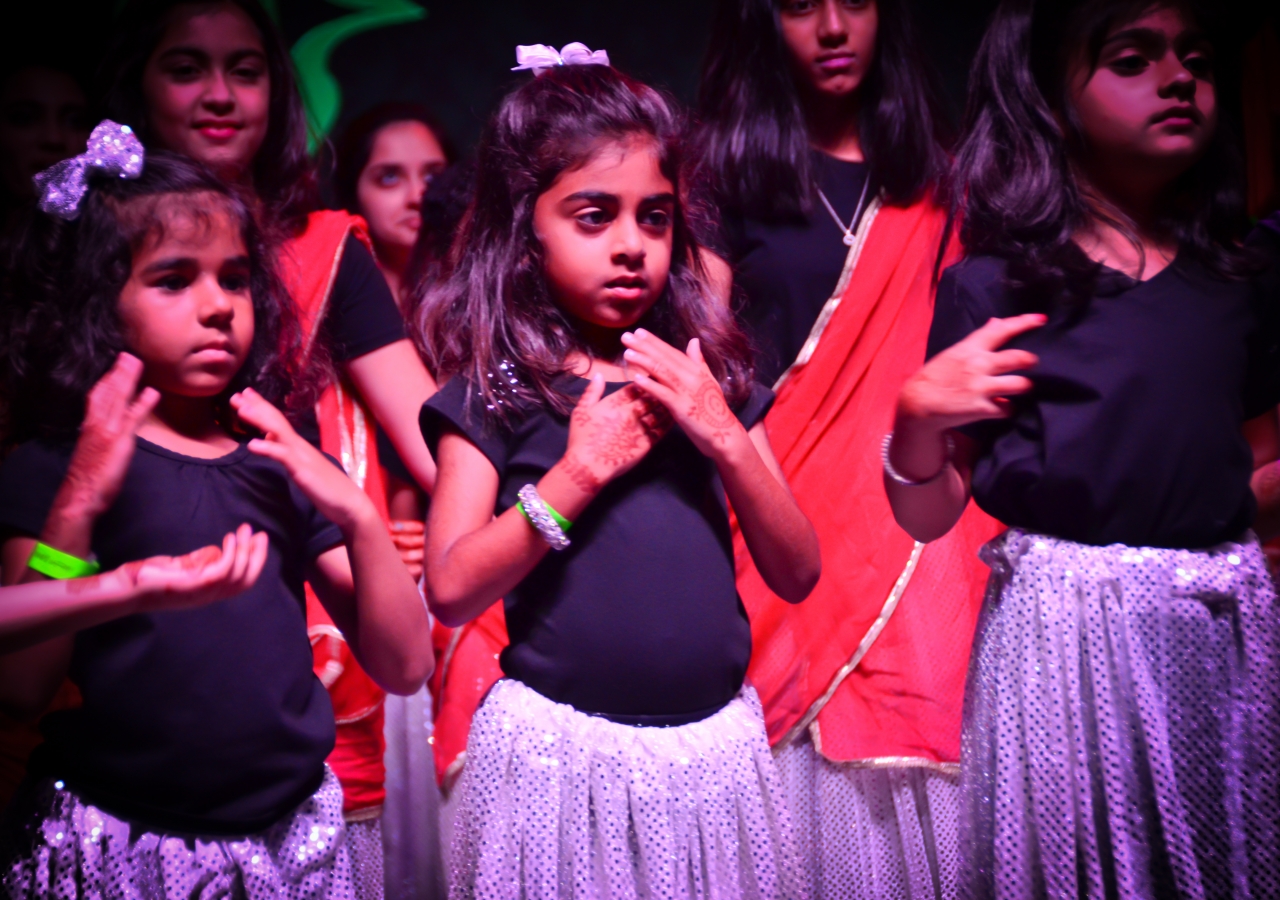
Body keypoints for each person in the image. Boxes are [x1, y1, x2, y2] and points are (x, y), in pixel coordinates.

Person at [885, 1, 1279, 896]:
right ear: (1052, 100)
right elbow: (929, 511)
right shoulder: (997, 287)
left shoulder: (1239, 283)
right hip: (1064, 648)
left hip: (1218, 634)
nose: (1179, 77)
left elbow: (1247, 464)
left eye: (1197, 57)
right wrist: (915, 422)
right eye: (1134, 58)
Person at [417, 51, 820, 898]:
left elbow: (797, 568)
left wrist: (722, 431)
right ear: (529, 231)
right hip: (561, 763)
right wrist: (577, 473)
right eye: (594, 217)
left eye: (656, 217)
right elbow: (450, 588)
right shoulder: (495, 388)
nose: (632, 247)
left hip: (709, 758)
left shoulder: (708, 379)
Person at [0, 138, 431, 897]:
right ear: (99, 303)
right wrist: (79, 502)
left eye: (234, 280)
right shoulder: (54, 466)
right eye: (173, 280)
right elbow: (22, 688)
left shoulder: (277, 456)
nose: (217, 307)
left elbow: (404, 667)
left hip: (283, 845)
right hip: (122, 843)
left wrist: (358, 515)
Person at [96, 0, 440, 871]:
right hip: (120, 616)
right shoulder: (88, 251)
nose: (220, 94)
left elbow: (430, 427)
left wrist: (504, 509)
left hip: (296, 585)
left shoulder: (324, 248)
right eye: (187, 68)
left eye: (245, 70)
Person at [695, 1, 999, 894]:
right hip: (778, 525)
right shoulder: (719, 180)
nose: (833, 26)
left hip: (929, 537)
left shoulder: (948, 187)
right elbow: (708, 363)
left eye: (855, 0)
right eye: (799, 5)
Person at [333, 101, 456, 900]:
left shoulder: (474, 305)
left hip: (460, 579)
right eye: (389, 177)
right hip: (358, 583)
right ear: (351, 197)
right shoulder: (328, 300)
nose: (415, 195)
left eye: (434, 178)